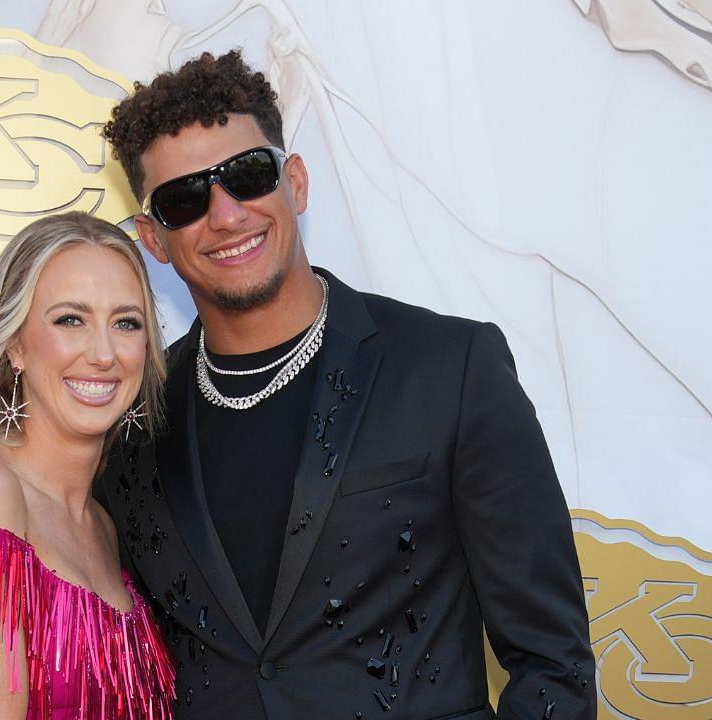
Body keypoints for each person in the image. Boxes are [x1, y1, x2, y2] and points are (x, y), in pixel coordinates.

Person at [97, 51, 596, 719]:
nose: (225, 214)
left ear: (295, 182)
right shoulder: (135, 427)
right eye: (186, 199)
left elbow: (551, 661)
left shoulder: (449, 368)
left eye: (247, 176)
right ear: (154, 239)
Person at [0, 212, 176, 719]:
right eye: (70, 320)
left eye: (126, 323)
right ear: (15, 344)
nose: (104, 353)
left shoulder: (104, 525)